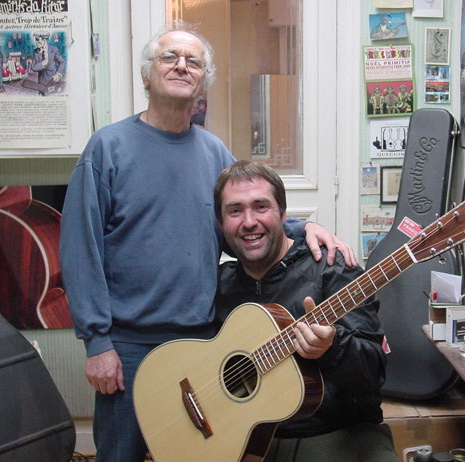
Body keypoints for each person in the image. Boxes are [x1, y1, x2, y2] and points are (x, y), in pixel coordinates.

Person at [60, 22, 356, 462]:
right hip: (126, 347)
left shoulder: (214, 152)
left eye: (193, 61)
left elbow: (245, 217)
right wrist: (97, 343)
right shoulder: (108, 148)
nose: (182, 65)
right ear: (147, 75)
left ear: (203, 81)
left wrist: (302, 229)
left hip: (200, 344)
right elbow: (80, 251)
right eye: (169, 57)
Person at [214, 160, 398, 462]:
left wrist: (332, 348)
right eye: (235, 211)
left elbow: (374, 371)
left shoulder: (334, 269)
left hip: (332, 432)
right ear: (221, 225)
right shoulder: (219, 284)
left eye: (261, 206)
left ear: (284, 215)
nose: (249, 221)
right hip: (242, 435)